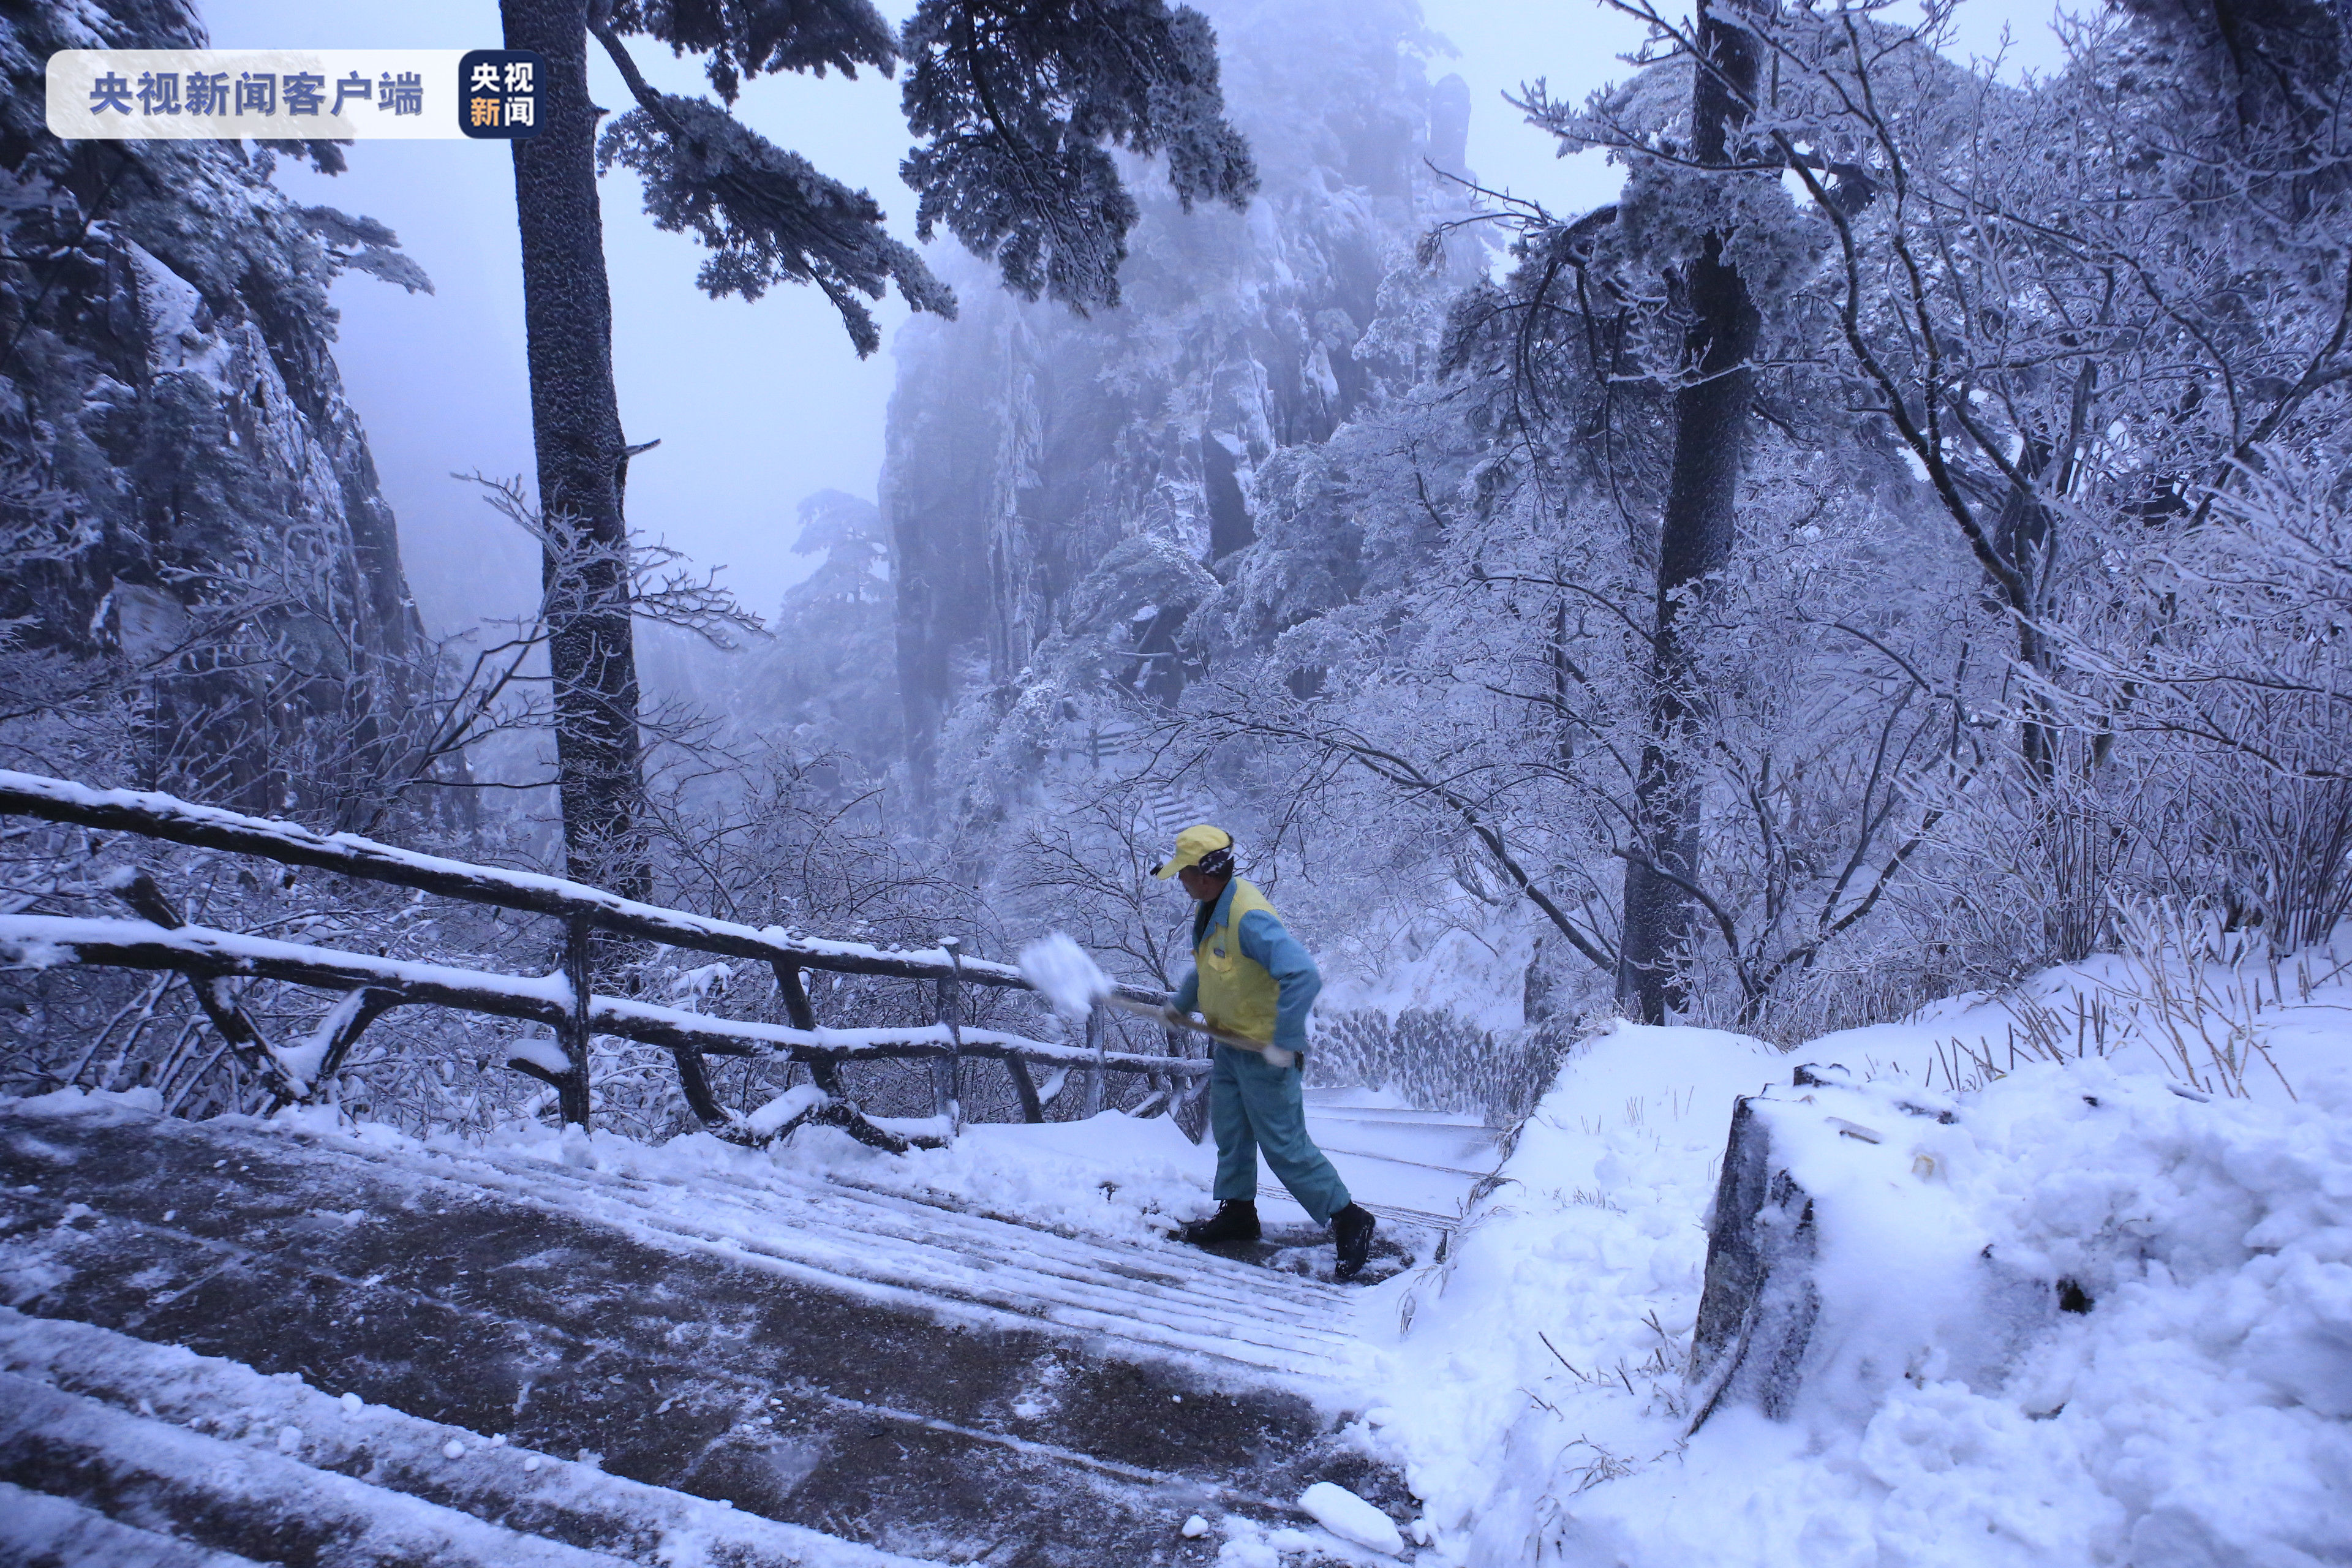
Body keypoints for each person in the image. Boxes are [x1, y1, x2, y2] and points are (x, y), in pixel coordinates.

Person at [1155, 824, 1378, 1281]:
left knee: (1284, 1146)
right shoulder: (1212, 910)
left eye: (1183, 873)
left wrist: (1286, 1039)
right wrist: (1181, 1005)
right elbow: (1212, 968)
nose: (1179, 882)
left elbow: (1304, 975)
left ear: (1204, 874)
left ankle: (1349, 1218)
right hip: (1230, 1047)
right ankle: (1238, 1212)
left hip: (1264, 1051)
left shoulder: (1248, 916)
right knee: (1232, 1135)